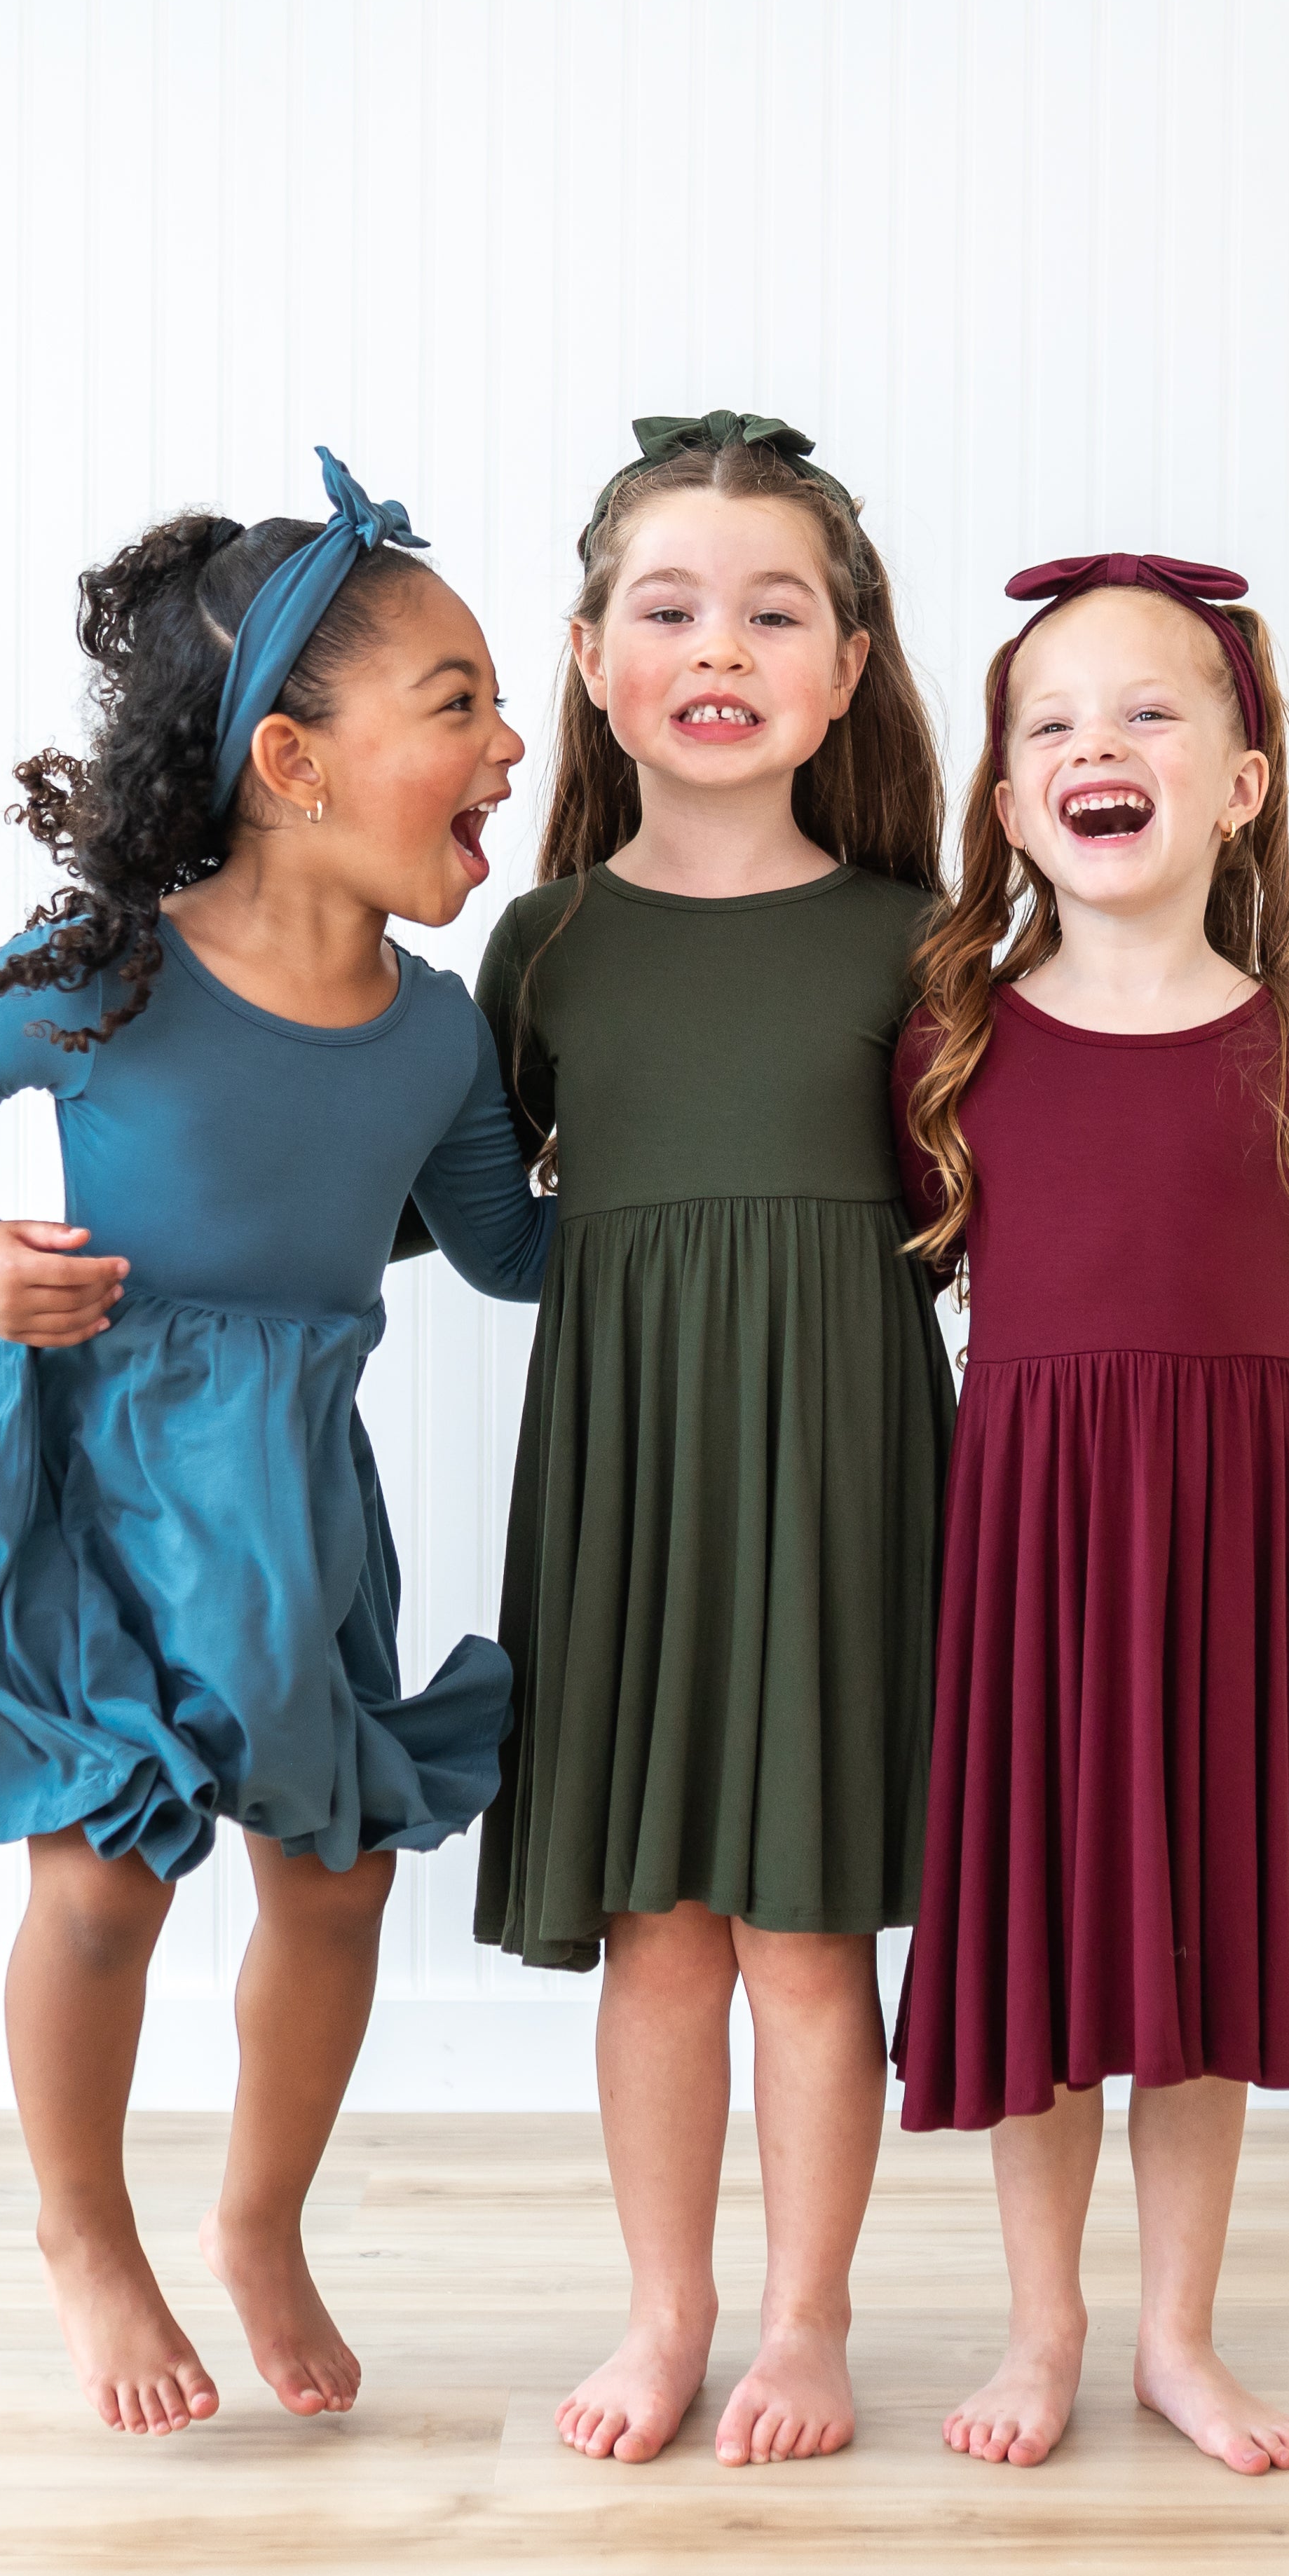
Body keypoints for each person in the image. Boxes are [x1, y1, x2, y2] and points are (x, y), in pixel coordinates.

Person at [0, 452, 550, 2436]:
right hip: (99, 1473)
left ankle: (259, 2219)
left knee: (332, 1881)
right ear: (292, 761)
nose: (512, 748)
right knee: (102, 1883)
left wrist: (728, 1172)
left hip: (296, 1506)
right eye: (459, 705)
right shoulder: (113, 972)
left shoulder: (440, 1036)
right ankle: (86, 2232)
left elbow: (516, 1254)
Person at [892, 552, 1289, 2471]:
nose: (1091, 744)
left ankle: (1177, 2339)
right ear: (1008, 793)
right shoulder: (952, 1040)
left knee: (1206, 1955)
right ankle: (1041, 2329)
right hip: (1027, 1548)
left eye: (1143, 711)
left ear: (1240, 784)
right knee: (1040, 1952)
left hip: (1235, 1547)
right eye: (1048, 722)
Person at [473, 413, 953, 2466]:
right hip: (630, 1477)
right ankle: (666, 2312)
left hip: (837, 1473)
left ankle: (807, 2322)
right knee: (658, 1925)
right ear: (592, 661)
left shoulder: (918, 939)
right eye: (668, 609)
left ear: (847, 668)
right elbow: (468, 1212)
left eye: (773, 611)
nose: (720, 646)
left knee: (803, 1927)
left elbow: (990, 1226)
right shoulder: (547, 944)